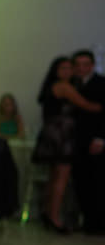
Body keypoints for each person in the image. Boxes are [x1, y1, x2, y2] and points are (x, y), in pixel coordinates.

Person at [34, 56, 102, 232]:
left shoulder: (53, 86)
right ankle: (55, 218)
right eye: (64, 68)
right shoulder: (64, 86)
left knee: (54, 176)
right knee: (61, 178)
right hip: (61, 135)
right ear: (56, 71)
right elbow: (86, 105)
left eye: (69, 68)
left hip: (54, 133)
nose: (68, 71)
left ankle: (48, 213)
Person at [70, 50, 105, 234]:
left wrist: (101, 138)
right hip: (78, 140)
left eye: (85, 64)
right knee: (81, 182)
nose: (82, 68)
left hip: (95, 140)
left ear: (92, 65)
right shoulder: (74, 83)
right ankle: (88, 221)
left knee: (97, 182)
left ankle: (98, 223)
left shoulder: (101, 83)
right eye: (78, 65)